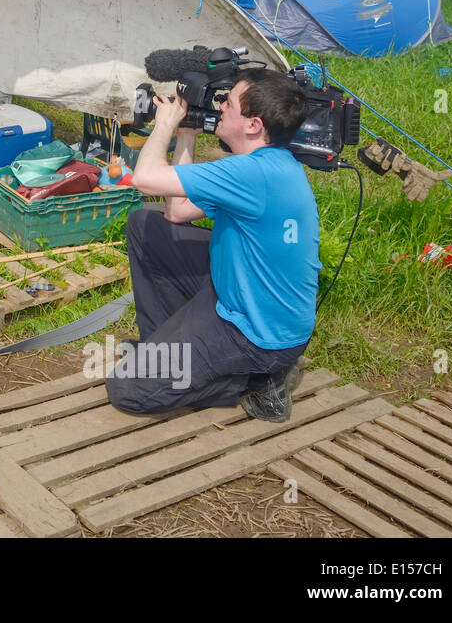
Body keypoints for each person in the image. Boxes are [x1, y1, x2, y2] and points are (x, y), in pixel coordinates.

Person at [107, 68, 320, 423]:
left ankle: (258, 382)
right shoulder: (267, 164)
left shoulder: (250, 174)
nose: (219, 107)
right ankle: (159, 347)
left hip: (256, 335)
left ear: (253, 125)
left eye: (229, 103)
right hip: (241, 293)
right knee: (148, 226)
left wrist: (164, 125)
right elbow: (177, 212)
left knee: (126, 388)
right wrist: (187, 134)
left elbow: (145, 180)